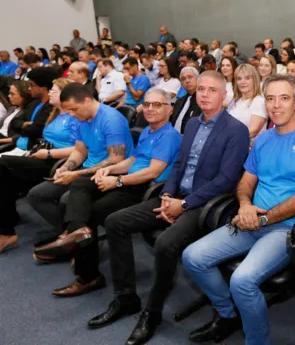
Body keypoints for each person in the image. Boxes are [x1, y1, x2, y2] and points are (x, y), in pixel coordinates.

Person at [87, 71, 249, 345]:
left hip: (202, 205)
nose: (205, 95)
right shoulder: (192, 124)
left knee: (164, 245)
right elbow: (178, 165)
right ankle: (126, 297)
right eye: (201, 90)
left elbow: (226, 180)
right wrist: (168, 195)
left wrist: (183, 204)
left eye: (212, 90)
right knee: (115, 222)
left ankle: (152, 313)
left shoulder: (236, 130)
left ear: (224, 96)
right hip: (175, 196)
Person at [181, 74, 295, 344]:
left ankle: (257, 340)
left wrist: (264, 218)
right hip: (252, 220)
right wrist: (246, 205)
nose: (276, 105)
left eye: (284, 98)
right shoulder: (262, 139)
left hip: (285, 229)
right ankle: (228, 314)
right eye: (270, 98)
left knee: (242, 280)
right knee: (193, 257)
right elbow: (246, 182)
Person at [42, 88, 182, 296]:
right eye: (148, 104)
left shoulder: (169, 136)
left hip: (145, 190)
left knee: (88, 210)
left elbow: (152, 172)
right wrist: (108, 169)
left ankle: (87, 273)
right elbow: (133, 160)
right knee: (81, 186)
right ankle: (77, 231)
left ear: (170, 109)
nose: (150, 109)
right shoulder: (148, 131)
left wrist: (116, 180)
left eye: (157, 105)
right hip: (128, 181)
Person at [26, 83, 134, 236]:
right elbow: (79, 151)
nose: (71, 114)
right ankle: (70, 236)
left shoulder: (111, 119)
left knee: (66, 200)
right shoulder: (79, 118)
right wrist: (65, 168)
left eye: (74, 109)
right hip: (86, 168)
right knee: (37, 195)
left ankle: (76, 240)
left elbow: (116, 160)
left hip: (109, 173)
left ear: (87, 101)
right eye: (69, 110)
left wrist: (75, 174)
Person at [0, 78, 77, 253]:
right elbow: (44, 139)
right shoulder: (55, 113)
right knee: (5, 176)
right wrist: (36, 150)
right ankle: (7, 222)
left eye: (54, 91)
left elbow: (79, 148)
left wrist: (48, 153)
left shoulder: (74, 116)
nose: (49, 93)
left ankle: (6, 228)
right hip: (41, 156)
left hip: (56, 162)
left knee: (2, 164)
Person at [1, 68, 55, 154]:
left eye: (32, 85)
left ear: (43, 88)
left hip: (31, 148)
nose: (29, 88)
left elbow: (34, 130)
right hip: (18, 146)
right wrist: (24, 124)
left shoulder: (50, 107)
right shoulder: (34, 103)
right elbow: (15, 122)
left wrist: (22, 127)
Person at [227, 64, 267, 139]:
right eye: (239, 79)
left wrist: (229, 140)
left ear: (254, 80)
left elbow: (253, 131)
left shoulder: (259, 101)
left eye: (247, 78)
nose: (242, 82)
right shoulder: (236, 101)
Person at [172, 67, 201, 134]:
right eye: (183, 79)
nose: (187, 81)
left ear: (198, 79)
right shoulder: (179, 101)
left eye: (190, 77)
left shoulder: (204, 101)